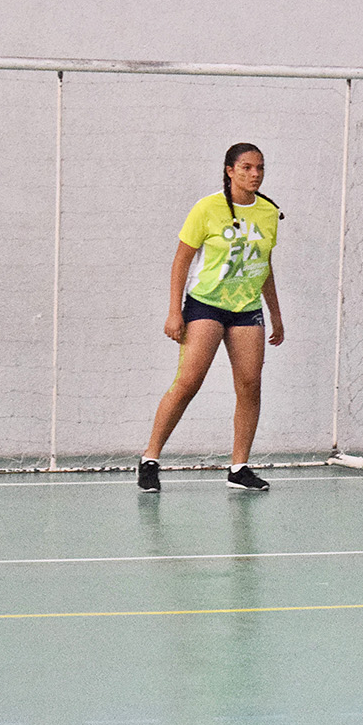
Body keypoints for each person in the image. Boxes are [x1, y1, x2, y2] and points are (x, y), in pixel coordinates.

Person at [138, 143, 284, 492]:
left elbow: (264, 264)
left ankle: (239, 468)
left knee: (250, 384)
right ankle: (150, 459)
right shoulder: (207, 208)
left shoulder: (268, 212)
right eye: (247, 167)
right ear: (230, 171)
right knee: (189, 382)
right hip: (206, 304)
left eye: (260, 168)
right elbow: (181, 261)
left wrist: (275, 314)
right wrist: (174, 311)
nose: (255, 174)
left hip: (246, 307)